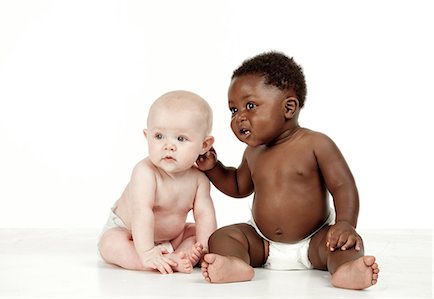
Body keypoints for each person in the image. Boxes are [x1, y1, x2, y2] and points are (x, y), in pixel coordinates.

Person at [196, 52, 379, 290]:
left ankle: (346, 270)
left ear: (289, 108)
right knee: (222, 237)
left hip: (316, 240)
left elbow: (343, 186)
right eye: (233, 110)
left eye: (250, 106)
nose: (239, 117)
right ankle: (233, 264)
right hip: (263, 243)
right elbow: (239, 187)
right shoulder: (253, 152)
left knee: (346, 245)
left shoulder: (316, 144)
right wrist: (214, 168)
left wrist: (345, 224)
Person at [98, 90, 217, 274]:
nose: (168, 146)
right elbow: (141, 212)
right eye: (159, 136)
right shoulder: (145, 172)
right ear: (147, 137)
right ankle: (149, 262)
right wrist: (146, 251)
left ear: (204, 145)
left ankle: (180, 256)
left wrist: (206, 249)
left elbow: (204, 215)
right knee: (109, 244)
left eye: (181, 138)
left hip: (172, 238)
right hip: (130, 233)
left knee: (197, 233)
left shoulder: (199, 179)